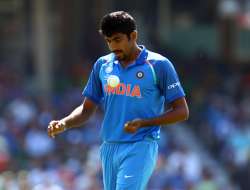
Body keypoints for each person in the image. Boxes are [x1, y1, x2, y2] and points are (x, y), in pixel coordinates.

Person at [48, 11, 189, 190]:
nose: (113, 46)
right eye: (108, 41)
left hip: (141, 145)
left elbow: (182, 111)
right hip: (109, 147)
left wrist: (145, 123)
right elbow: (86, 109)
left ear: (133, 36)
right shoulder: (102, 65)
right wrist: (64, 123)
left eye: (117, 39)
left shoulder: (159, 65)